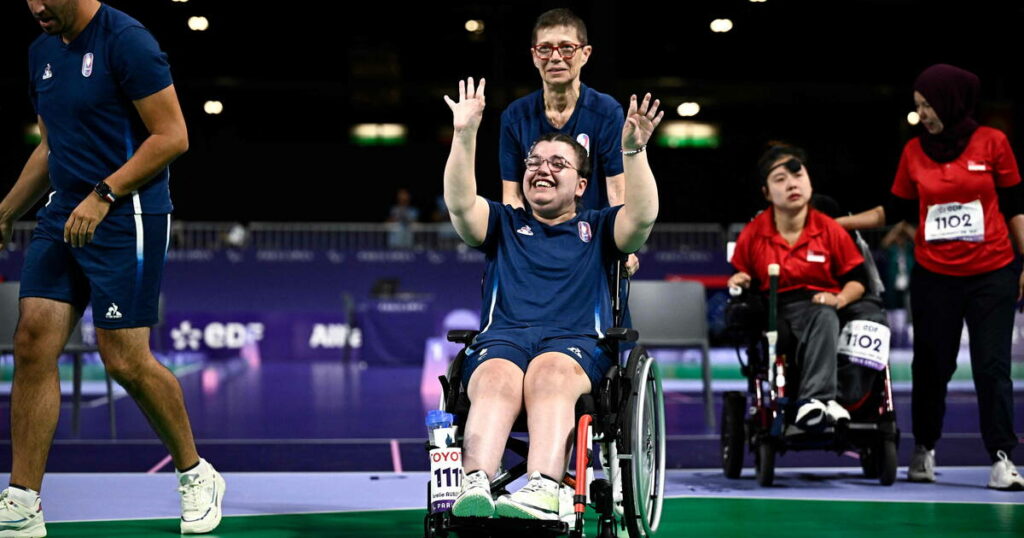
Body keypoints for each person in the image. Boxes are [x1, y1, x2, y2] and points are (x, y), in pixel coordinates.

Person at [0, 1, 225, 535]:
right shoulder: (41, 52)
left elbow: (173, 136)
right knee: (33, 341)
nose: (35, 6)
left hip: (129, 214)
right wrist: (7, 209)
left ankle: (196, 474)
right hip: (65, 211)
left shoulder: (127, 40)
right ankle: (23, 499)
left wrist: (106, 193)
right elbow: (52, 147)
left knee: (124, 359)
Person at [442, 77, 661, 519]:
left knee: (549, 371)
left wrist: (634, 153)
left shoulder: (600, 227)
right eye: (534, 161)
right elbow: (462, 206)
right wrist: (464, 135)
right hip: (504, 339)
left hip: (574, 346)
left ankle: (545, 487)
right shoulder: (503, 223)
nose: (542, 168)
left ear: (581, 185)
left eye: (558, 163)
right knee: (495, 375)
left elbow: (641, 217)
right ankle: (474, 486)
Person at [838, 64, 1024, 490]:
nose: (922, 114)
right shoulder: (914, 152)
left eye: (928, 106)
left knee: (992, 367)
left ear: (952, 102)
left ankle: (1001, 458)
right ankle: (924, 449)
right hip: (935, 277)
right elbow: (894, 211)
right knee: (932, 366)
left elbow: (1015, 206)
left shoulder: (993, 142)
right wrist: (839, 223)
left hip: (991, 273)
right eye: (918, 106)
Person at [729, 144, 870, 430]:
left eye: (798, 175)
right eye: (780, 179)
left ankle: (815, 401)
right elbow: (740, 273)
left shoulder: (829, 228)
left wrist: (839, 299)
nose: (792, 184)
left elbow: (859, 280)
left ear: (809, 181)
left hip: (823, 304)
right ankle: (822, 402)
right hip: (775, 309)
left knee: (826, 315)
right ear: (767, 193)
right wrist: (739, 278)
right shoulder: (754, 233)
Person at [499, 8, 640, 276]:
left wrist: (624, 245)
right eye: (545, 49)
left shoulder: (607, 111)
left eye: (566, 48)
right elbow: (512, 195)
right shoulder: (514, 116)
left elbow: (616, 190)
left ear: (585, 54)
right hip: (536, 244)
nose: (555, 57)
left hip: (593, 244)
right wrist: (520, 243)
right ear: (534, 56)